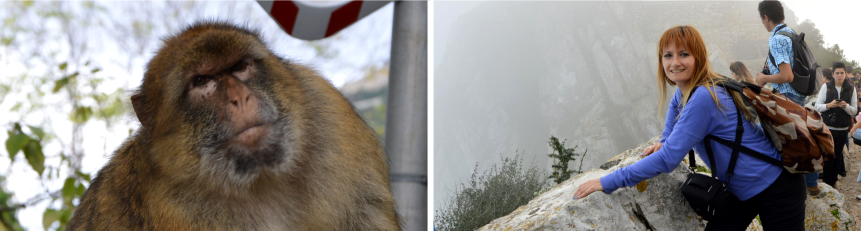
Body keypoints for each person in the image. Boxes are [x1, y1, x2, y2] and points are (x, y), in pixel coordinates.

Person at [572, 25, 805, 231]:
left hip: (777, 187)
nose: (675, 62)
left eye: (684, 54)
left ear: (698, 58)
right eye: (668, 55)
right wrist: (665, 138)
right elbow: (675, 106)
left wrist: (609, 181)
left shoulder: (705, 96)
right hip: (742, 190)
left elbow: (667, 160)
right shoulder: (695, 87)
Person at [755, 0, 821, 196]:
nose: (762, 23)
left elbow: (786, 76)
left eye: (762, 19)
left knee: (770, 139)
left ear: (766, 17)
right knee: (799, 138)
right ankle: (812, 184)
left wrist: (764, 78)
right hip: (798, 94)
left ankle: (783, 185)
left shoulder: (776, 39)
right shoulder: (790, 33)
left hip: (786, 95)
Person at [814, 62, 857, 187]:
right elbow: (817, 106)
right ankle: (828, 182)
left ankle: (833, 181)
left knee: (838, 155)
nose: (839, 76)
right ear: (833, 74)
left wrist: (846, 106)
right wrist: (829, 105)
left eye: (842, 73)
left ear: (845, 74)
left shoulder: (851, 88)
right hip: (828, 127)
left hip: (843, 127)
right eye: (837, 73)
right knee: (828, 155)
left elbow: (854, 110)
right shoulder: (826, 87)